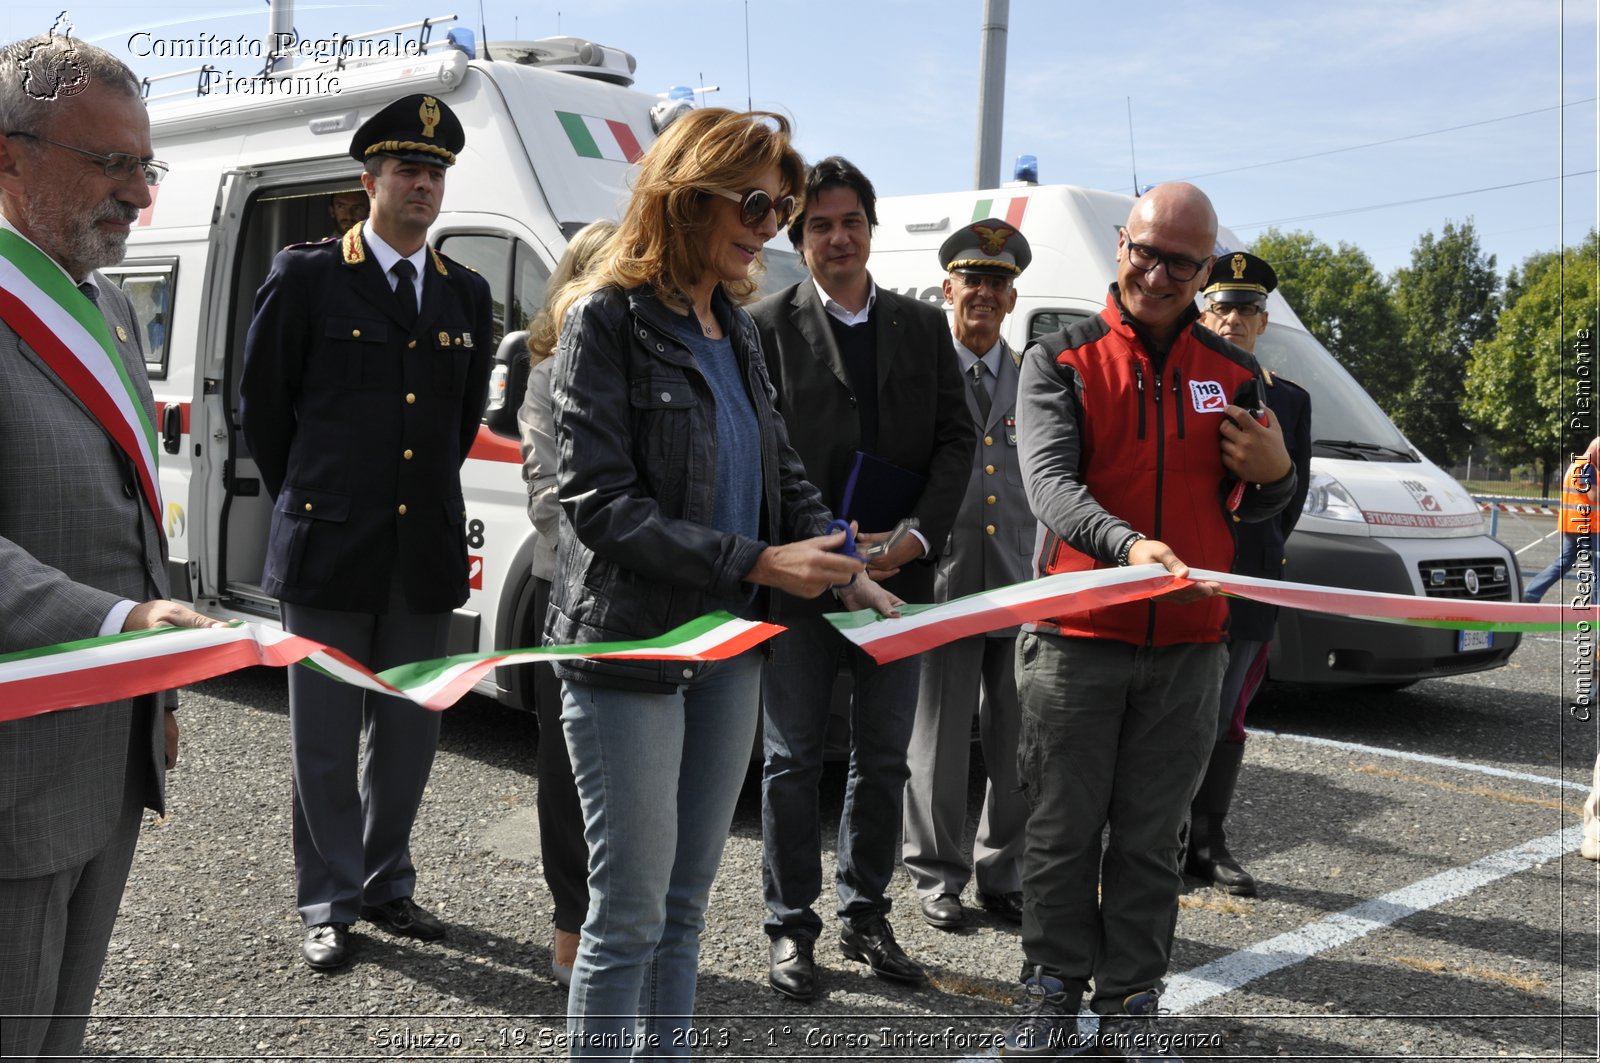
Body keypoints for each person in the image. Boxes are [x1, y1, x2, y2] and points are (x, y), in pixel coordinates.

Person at [544, 109, 899, 1058]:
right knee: (625, 918)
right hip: (629, 650)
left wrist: (840, 557)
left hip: (728, 650)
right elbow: (598, 505)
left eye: (780, 206)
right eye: (754, 202)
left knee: (686, 906)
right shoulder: (604, 319)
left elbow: (779, 473)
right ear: (684, 192)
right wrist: (761, 562)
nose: (771, 223)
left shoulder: (735, 329)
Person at [1002, 183, 1295, 1058]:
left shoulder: (1237, 374)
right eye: (1144, 250)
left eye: (1179, 261)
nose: (1156, 273)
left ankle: (1131, 997)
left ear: (1205, 271)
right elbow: (1051, 487)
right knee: (1060, 829)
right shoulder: (1059, 354)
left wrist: (1277, 472)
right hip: (1075, 637)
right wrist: (1127, 546)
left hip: (1189, 646)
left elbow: (1258, 504)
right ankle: (1051, 990)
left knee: (1152, 838)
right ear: (1121, 244)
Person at [0, 32, 222, 1059]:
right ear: (9, 155)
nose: (140, 196)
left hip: (107, 746)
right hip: (14, 761)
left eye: (147, 165)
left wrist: (155, 690)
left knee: (61, 1030)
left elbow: (132, 511)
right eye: (110, 164)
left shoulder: (110, 311)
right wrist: (120, 623)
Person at [239, 93, 495, 971]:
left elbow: (458, 424)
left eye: (434, 173)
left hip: (419, 550)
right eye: (407, 171)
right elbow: (265, 411)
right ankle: (330, 898)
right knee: (323, 734)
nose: (423, 184)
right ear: (371, 181)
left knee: (411, 731)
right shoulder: (308, 274)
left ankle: (388, 882)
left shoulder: (466, 291)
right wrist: (313, 497)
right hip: (329, 545)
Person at [750, 156, 974, 1001]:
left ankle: (866, 909)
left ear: (871, 230)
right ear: (799, 237)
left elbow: (959, 439)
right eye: (818, 225)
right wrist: (819, 547)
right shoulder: (765, 326)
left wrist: (916, 538)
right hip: (803, 582)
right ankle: (790, 925)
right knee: (791, 758)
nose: (836, 238)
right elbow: (763, 457)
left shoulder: (923, 328)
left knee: (882, 758)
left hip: (898, 583)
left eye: (849, 222)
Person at [902, 219, 1034, 930]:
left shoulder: (1033, 379)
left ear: (1013, 298)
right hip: (944, 580)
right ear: (946, 286)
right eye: (972, 279)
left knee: (1017, 738)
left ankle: (1002, 870)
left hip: (1017, 582)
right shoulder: (925, 373)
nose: (984, 292)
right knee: (940, 737)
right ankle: (936, 874)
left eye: (998, 282)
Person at [1186, 251, 1312, 896]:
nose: (1234, 319)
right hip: (1182, 577)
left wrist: (1254, 564)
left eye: (1247, 310)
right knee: (1164, 714)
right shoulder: (1180, 384)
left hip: (1251, 585)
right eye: (1223, 306)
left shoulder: (1289, 400)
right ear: (1203, 311)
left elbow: (1290, 498)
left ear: (1263, 322)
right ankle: (1156, 837)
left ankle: (1207, 842)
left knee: (1227, 718)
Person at [515, 217, 617, 988]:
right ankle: (569, 925)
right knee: (568, 771)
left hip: (643, 602)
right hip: (570, 593)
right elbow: (548, 493)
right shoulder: (546, 365)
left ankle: (623, 931)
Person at [1522, 438, 1599, 603]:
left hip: (1571, 525)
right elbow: (1593, 496)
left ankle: (1531, 593)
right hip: (1588, 527)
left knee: (1562, 563)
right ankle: (1597, 605)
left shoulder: (1574, 466)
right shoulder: (1588, 467)